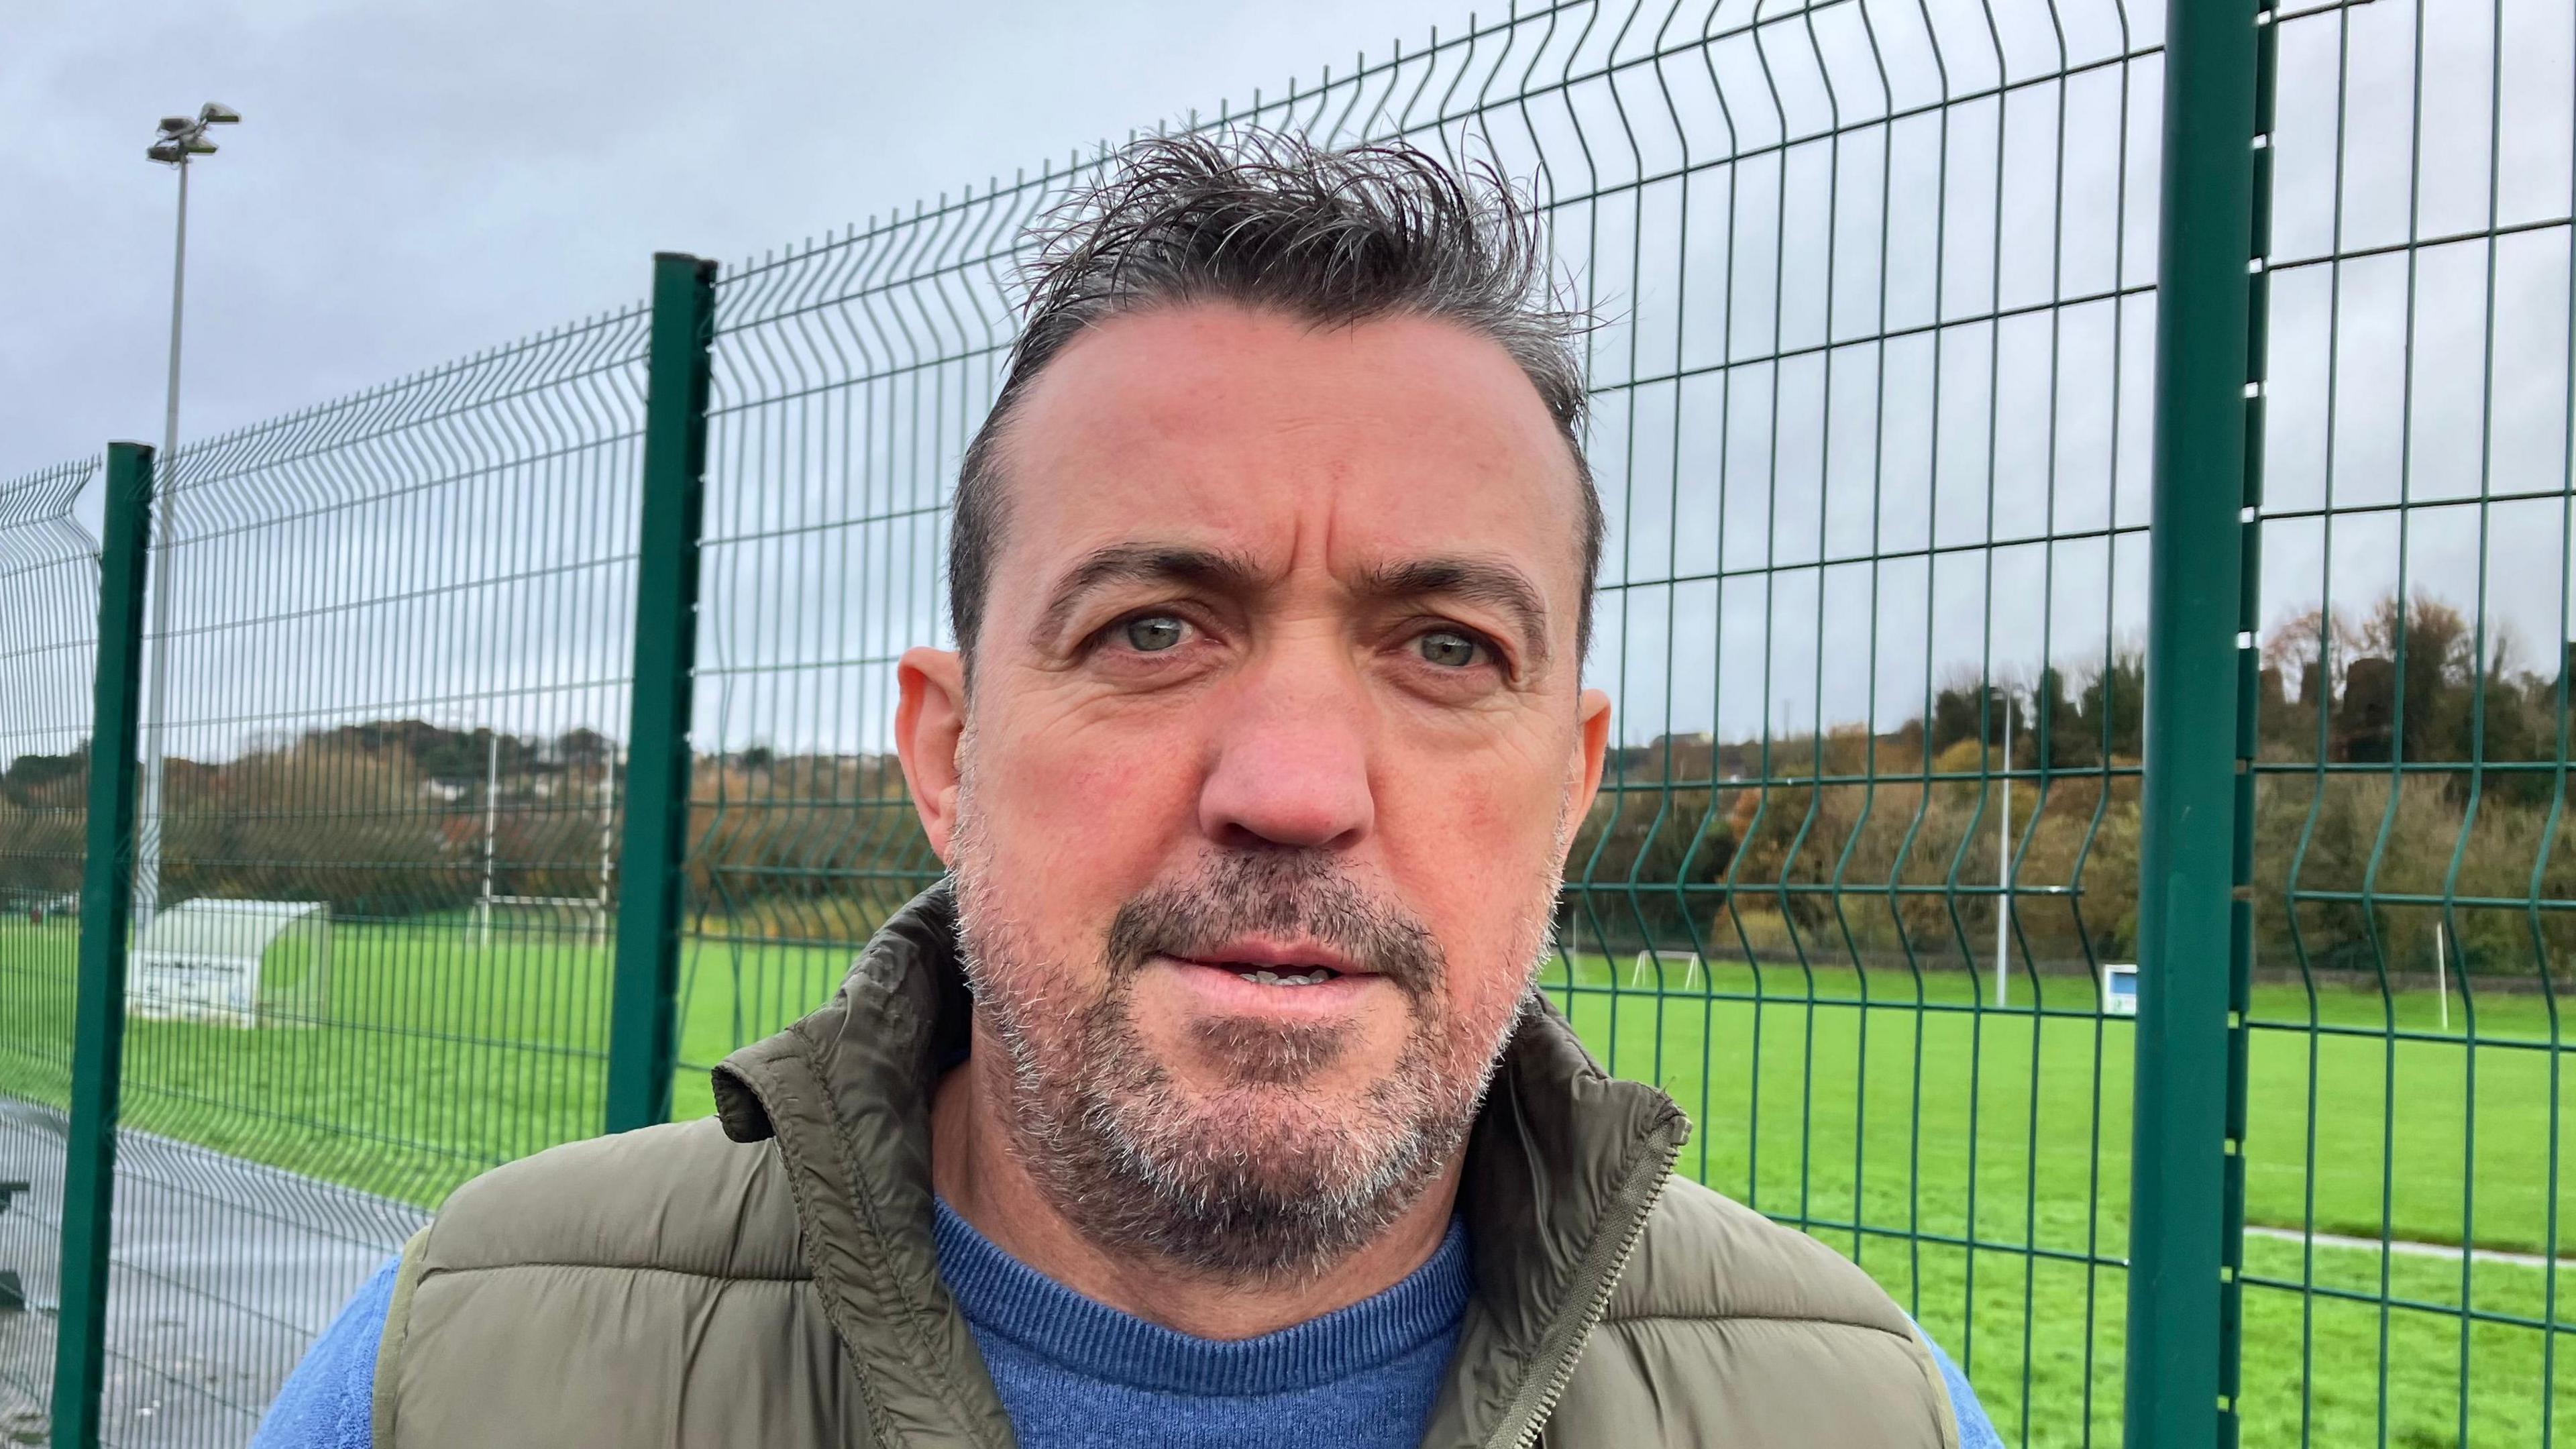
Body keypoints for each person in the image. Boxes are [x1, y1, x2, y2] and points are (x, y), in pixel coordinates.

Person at [258, 131, 2001, 1449]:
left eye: (1448, 649)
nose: (1298, 787)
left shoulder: (1859, 1410)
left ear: (1571, 789)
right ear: (948, 754)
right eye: (1155, 628)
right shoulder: (465, 1374)